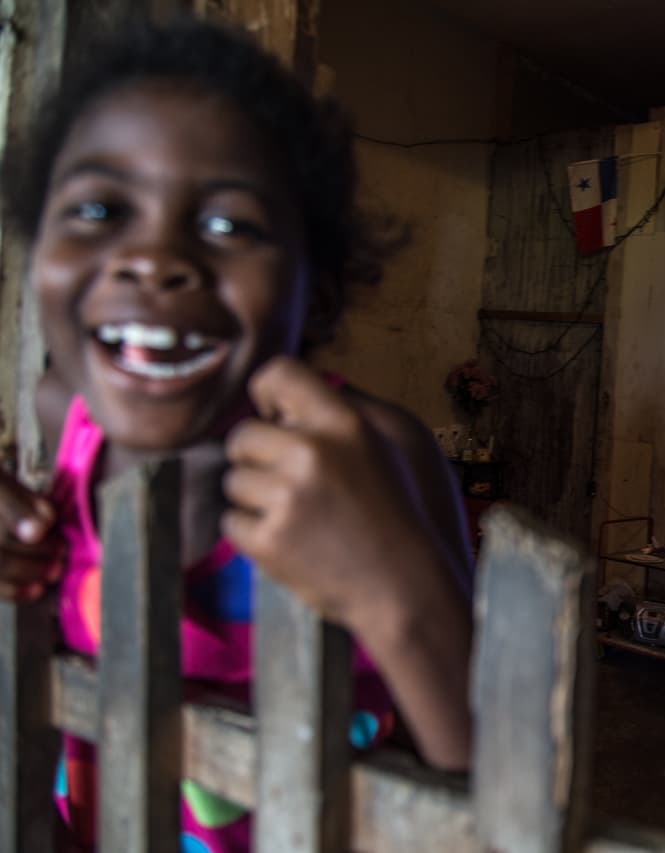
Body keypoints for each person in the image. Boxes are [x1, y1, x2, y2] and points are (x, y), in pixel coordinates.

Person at [0, 18, 473, 850]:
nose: (153, 259)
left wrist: (393, 592)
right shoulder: (62, 417)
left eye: (229, 225)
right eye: (98, 210)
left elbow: (506, 792)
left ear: (315, 292)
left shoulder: (378, 454)